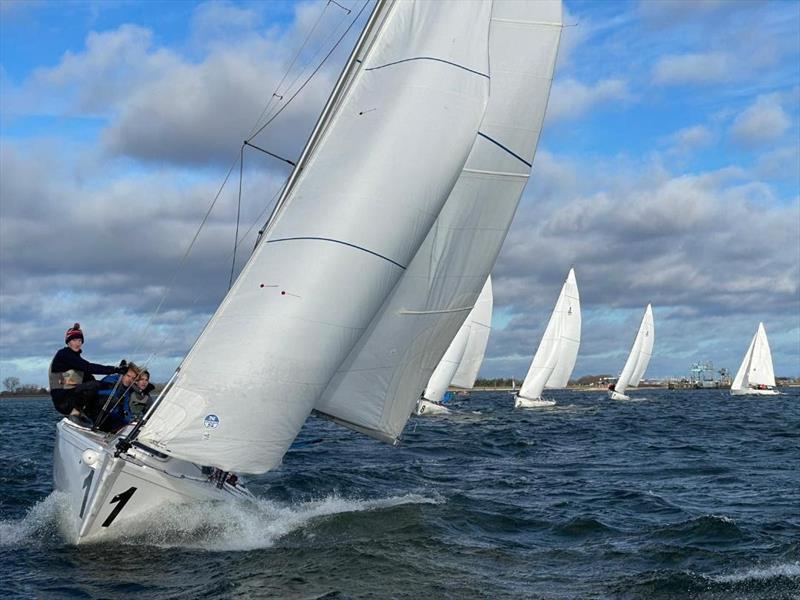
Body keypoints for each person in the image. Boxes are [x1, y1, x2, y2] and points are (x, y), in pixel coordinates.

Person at [49, 323, 126, 425]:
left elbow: (87, 374)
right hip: (64, 402)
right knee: (93, 384)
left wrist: (112, 385)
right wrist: (115, 369)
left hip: (71, 394)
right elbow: (88, 367)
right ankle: (76, 413)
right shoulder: (64, 354)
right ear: (68, 342)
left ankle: (107, 424)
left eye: (80, 341)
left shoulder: (76, 359)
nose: (77, 343)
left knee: (109, 398)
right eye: (74, 340)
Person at [91, 363, 142, 433]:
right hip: (96, 414)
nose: (129, 379)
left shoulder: (127, 390)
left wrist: (130, 421)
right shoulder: (111, 381)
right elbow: (106, 401)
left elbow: (125, 408)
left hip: (110, 416)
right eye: (128, 376)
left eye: (133, 378)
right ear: (122, 374)